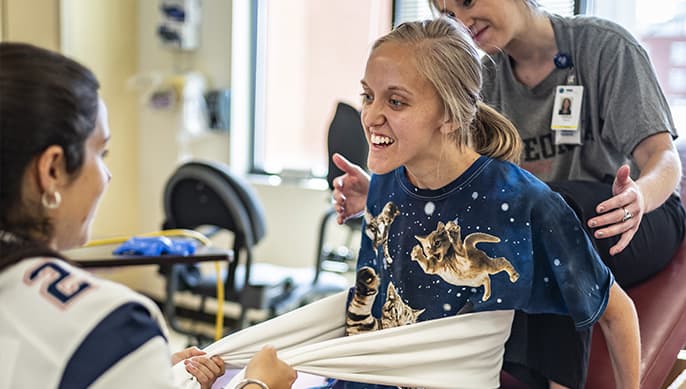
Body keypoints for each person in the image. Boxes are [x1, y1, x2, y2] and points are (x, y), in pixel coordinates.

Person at [332, 1, 685, 387]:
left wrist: (639, 197)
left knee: (544, 229)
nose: (462, 23)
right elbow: (452, 177)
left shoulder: (604, 47)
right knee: (527, 234)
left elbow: (663, 157)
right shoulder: (482, 71)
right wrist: (393, 195)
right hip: (545, 212)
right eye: (449, 14)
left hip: (634, 211)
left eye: (467, 2)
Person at [0, 42, 296, 389]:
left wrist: (147, 371)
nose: (106, 176)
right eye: (102, 153)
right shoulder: (111, 324)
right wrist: (257, 385)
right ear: (52, 169)